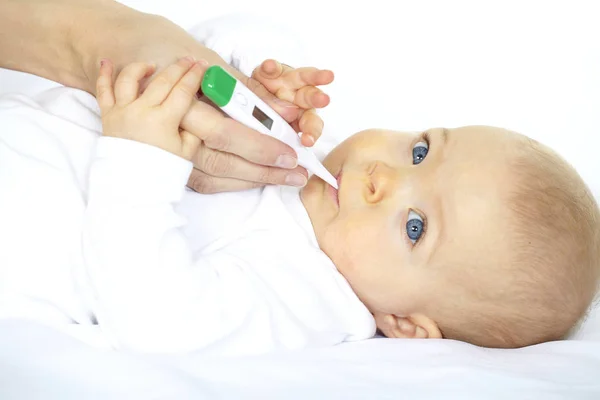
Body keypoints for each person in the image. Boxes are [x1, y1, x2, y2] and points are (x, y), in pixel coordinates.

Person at [1, 14, 598, 355]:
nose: (381, 177)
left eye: (415, 226)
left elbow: (158, 318)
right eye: (419, 151)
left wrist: (140, 157)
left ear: (408, 326)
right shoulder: (309, 157)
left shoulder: (306, 302)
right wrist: (260, 75)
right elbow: (212, 35)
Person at [1, 0, 327, 193]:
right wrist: (259, 73)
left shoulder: (281, 294)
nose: (378, 178)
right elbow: (234, 30)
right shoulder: (310, 145)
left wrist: (141, 164)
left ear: (378, 314)